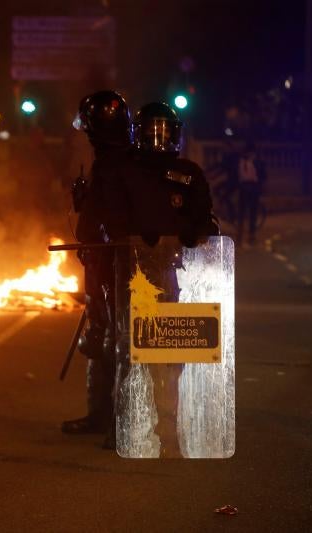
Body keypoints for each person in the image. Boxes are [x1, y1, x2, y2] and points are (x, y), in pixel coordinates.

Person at [103, 101, 218, 456]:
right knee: (131, 353)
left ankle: (169, 425)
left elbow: (206, 219)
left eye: (165, 131)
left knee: (172, 354)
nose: (158, 138)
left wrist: (192, 232)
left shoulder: (188, 172)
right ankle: (125, 424)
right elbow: (113, 218)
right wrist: (137, 233)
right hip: (134, 275)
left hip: (174, 273)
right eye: (152, 130)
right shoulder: (127, 171)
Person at [61, 90, 133, 438]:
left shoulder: (114, 165)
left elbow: (106, 217)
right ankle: (100, 416)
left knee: (115, 342)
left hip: (115, 265)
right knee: (101, 336)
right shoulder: (117, 161)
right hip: (104, 262)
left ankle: (119, 423)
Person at [235, 142, 266, 246]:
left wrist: (260, 186)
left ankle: (251, 235)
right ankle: (240, 235)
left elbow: (262, 175)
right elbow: (237, 175)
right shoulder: (240, 161)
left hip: (253, 187)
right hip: (243, 187)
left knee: (253, 212)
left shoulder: (257, 162)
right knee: (242, 212)